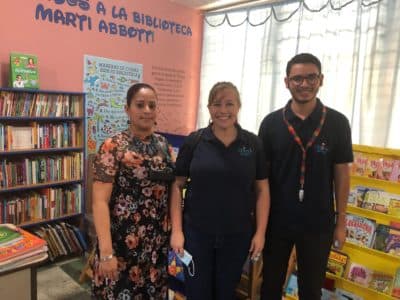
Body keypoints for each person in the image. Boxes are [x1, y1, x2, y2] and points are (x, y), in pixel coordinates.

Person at [258, 53, 353, 300]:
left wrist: (341, 222)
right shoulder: (270, 124)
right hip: (277, 221)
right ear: (286, 82)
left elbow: (342, 174)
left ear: (321, 80)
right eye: (297, 78)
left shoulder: (338, 123)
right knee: (270, 286)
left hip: (318, 222)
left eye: (311, 77)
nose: (304, 84)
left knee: (311, 290)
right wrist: (257, 222)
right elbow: (261, 178)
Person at [170, 81, 270, 300]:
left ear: (239, 106)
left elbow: (262, 189)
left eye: (229, 104)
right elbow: (177, 186)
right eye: (217, 104)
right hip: (196, 234)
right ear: (209, 108)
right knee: (197, 293)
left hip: (237, 235)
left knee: (226, 293)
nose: (223, 110)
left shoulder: (253, 144)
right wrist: (177, 231)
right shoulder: (195, 141)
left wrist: (260, 233)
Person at [91, 83, 175, 299]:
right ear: (127, 109)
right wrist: (106, 252)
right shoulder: (113, 146)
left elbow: (174, 188)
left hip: (156, 244)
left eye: (152, 105)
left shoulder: (164, 146)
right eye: (140, 105)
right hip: (121, 244)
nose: (147, 110)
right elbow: (99, 202)